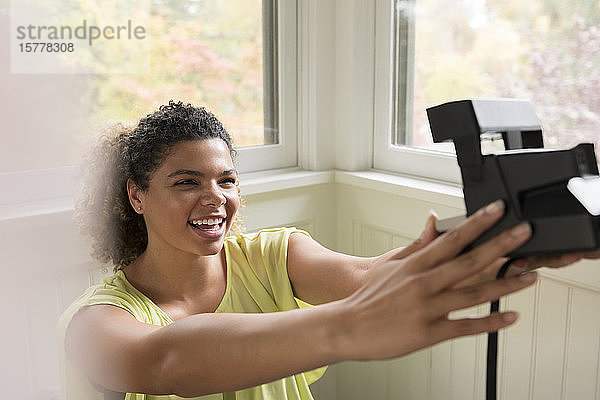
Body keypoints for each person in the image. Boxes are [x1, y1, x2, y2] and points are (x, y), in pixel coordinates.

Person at [57, 101, 596, 400]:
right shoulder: (99, 323)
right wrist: (347, 327)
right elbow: (166, 360)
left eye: (226, 179)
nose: (215, 198)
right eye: (185, 182)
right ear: (136, 195)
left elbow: (365, 276)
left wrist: (496, 238)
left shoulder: (272, 255)